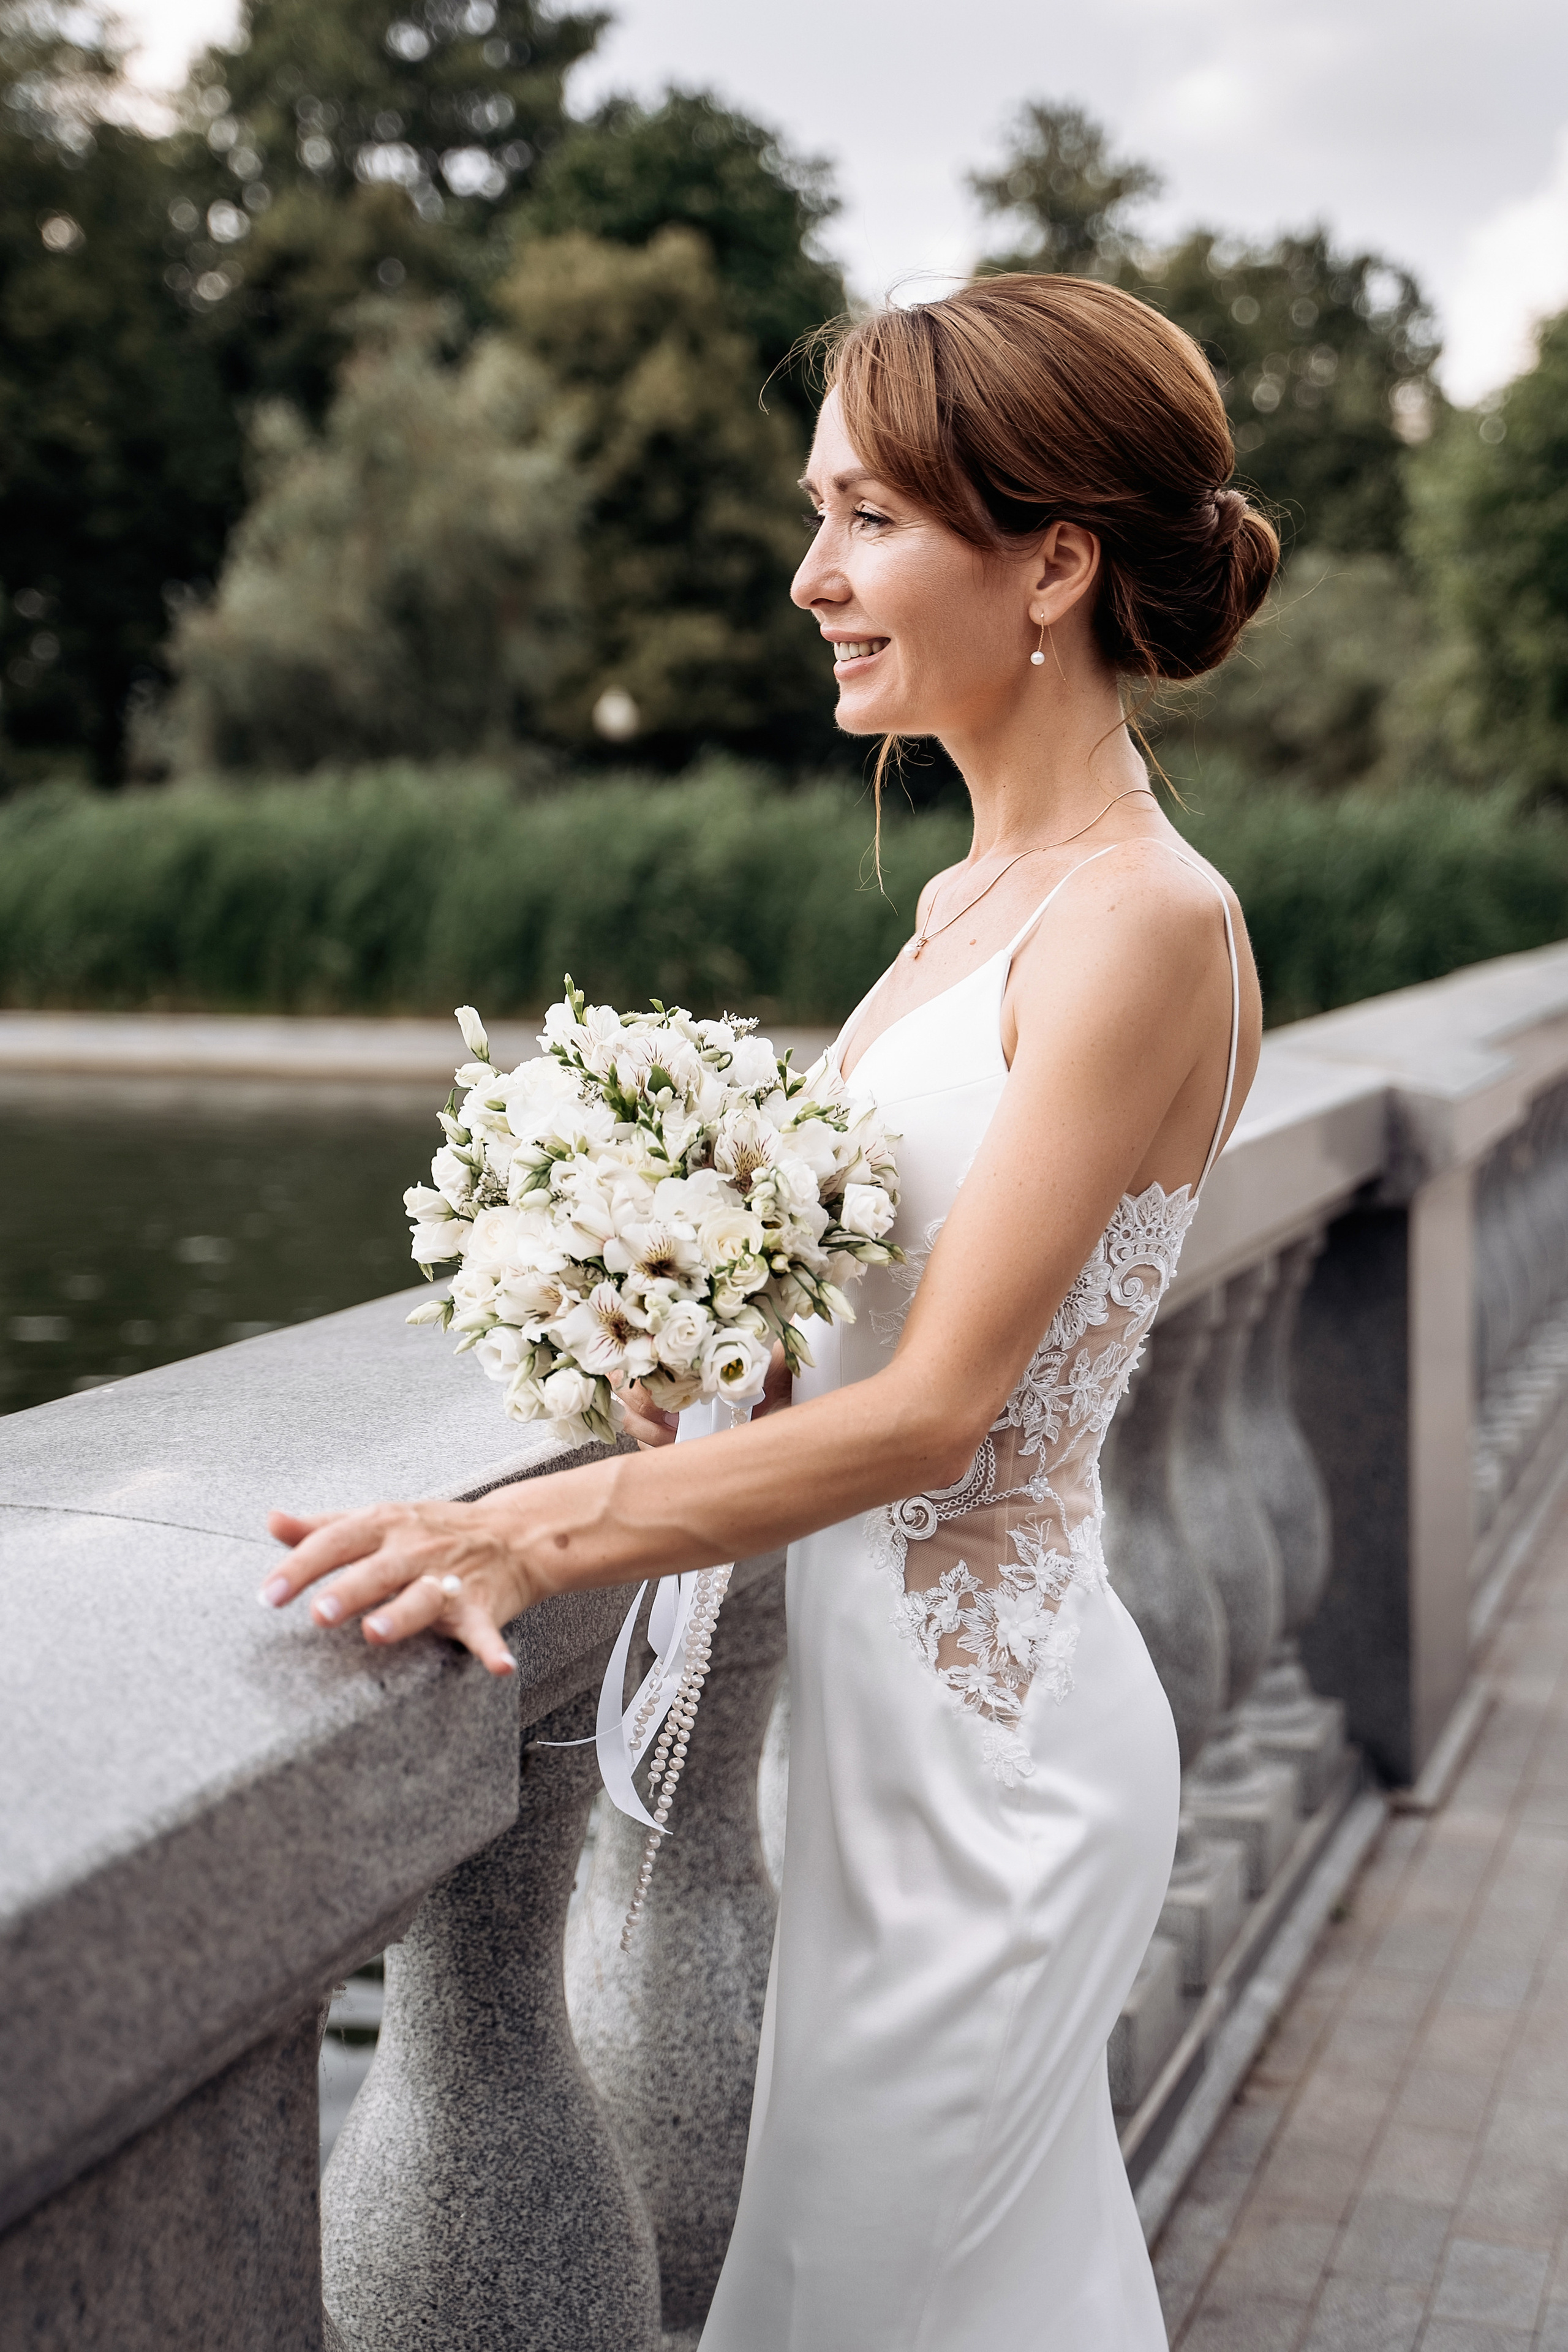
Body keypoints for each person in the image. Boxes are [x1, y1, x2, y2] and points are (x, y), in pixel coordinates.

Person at [261, 273, 1275, 2348]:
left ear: (1053, 564)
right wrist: (689, 1339)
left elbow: (941, 1414)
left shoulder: (1148, 922)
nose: (811, 578)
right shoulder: (966, 903)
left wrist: (518, 1534)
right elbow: (879, 1331)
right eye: (819, 516)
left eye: (868, 520)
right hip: (871, 1748)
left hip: (994, 1764)